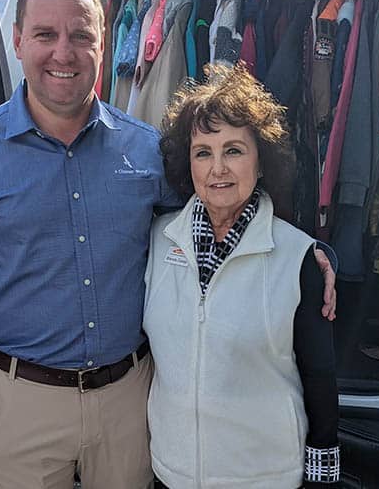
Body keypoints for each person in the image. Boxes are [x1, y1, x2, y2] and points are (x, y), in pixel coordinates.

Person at [0, 0, 336, 489]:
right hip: (19, 406)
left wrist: (309, 253)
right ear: (18, 40)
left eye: (81, 35)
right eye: (45, 34)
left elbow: (222, 201)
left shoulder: (147, 151)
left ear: (104, 41)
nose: (63, 53)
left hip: (129, 404)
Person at [144, 64, 339, 488]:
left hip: (264, 478)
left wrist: (323, 474)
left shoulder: (299, 257)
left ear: (261, 159)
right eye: (203, 152)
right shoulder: (157, 242)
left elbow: (319, 374)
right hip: (171, 475)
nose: (218, 168)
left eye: (233, 150)